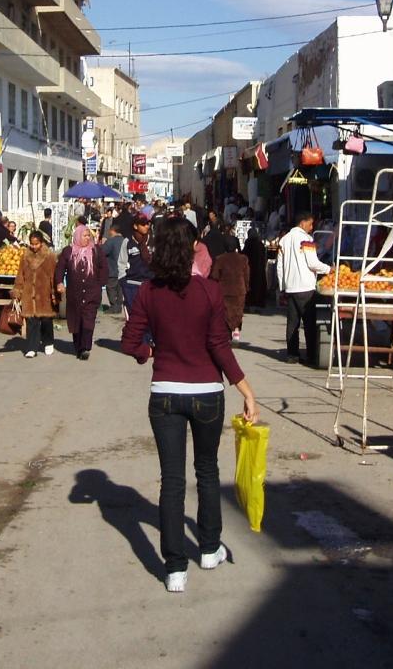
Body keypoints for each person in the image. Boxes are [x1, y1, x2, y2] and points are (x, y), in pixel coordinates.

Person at [119, 216, 258, 593]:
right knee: (207, 471)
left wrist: (148, 352)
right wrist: (246, 391)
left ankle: (175, 569)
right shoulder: (209, 291)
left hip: (165, 393)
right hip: (207, 392)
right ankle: (210, 549)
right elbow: (219, 346)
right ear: (192, 248)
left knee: (172, 480)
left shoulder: (148, 291)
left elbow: (129, 342)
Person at [276, 210, 332, 365]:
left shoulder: (284, 240)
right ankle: (311, 356)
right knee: (309, 323)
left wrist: (282, 286)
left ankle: (292, 355)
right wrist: (329, 269)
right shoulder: (306, 239)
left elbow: (279, 266)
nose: (312, 227)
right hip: (305, 286)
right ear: (303, 223)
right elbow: (313, 263)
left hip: (290, 287)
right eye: (310, 223)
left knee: (292, 323)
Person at [55, 223, 108, 360]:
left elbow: (103, 267)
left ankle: (85, 347)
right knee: (76, 321)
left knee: (88, 320)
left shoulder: (96, 250)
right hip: (74, 294)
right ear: (77, 236)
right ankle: (78, 346)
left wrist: (100, 283)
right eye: (84, 236)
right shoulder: (68, 251)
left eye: (88, 235)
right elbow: (60, 268)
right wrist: (59, 282)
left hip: (92, 293)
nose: (87, 238)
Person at [11, 231, 58, 358]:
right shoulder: (25, 256)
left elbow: (53, 276)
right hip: (29, 293)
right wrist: (17, 290)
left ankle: (48, 342)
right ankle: (32, 347)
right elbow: (20, 275)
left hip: (44, 293)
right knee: (31, 321)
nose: (34, 246)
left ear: (41, 243)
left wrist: (54, 293)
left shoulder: (50, 256)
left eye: (36, 244)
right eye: (32, 244)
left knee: (46, 320)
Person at [210, 235, 250, 340]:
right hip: (239, 290)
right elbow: (246, 275)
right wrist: (246, 287)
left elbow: (214, 276)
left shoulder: (220, 259)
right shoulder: (243, 259)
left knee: (226, 312)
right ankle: (236, 330)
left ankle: (227, 334)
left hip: (224, 290)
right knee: (238, 311)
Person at [122, 212, 154, 315]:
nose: (146, 226)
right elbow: (121, 263)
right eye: (143, 224)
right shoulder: (127, 241)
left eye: (148, 224)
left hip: (150, 284)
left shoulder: (153, 240)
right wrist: (123, 282)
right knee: (134, 316)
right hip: (132, 285)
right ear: (135, 226)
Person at [102, 223, 128, 315]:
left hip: (112, 269)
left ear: (112, 231)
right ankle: (119, 306)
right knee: (120, 289)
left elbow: (102, 251)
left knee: (111, 288)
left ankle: (114, 307)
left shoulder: (111, 241)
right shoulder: (125, 240)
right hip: (123, 270)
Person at [243, 227, 269, 309]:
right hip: (260, 268)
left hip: (251, 267)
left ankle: (251, 302)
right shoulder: (260, 244)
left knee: (251, 284)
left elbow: (245, 255)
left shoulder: (249, 243)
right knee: (259, 285)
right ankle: (259, 302)